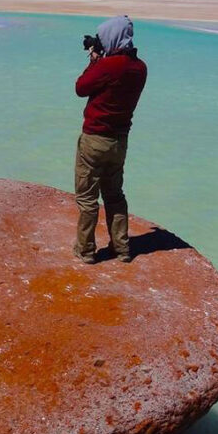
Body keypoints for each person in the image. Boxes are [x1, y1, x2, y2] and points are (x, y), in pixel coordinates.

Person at [73, 15, 147, 264]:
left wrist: (94, 62)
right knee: (114, 194)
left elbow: (81, 87)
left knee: (87, 198)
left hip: (95, 138)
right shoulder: (140, 68)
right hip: (120, 141)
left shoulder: (108, 66)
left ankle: (86, 251)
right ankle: (122, 248)